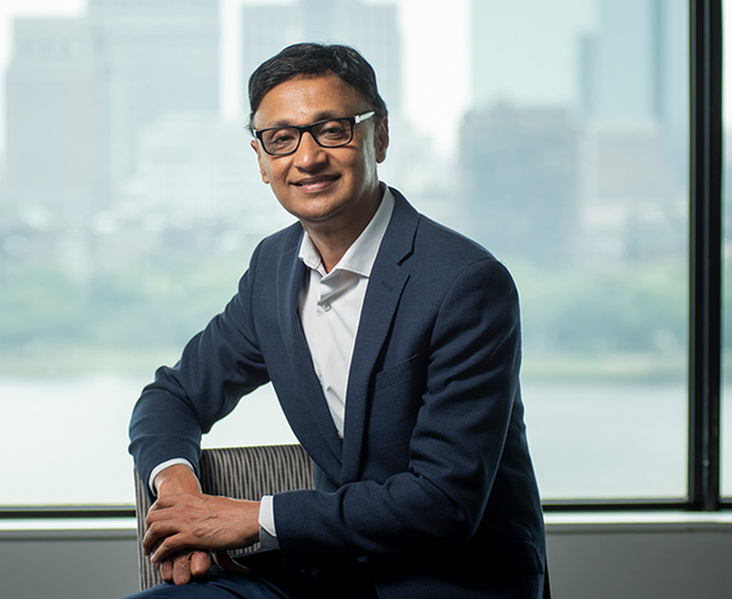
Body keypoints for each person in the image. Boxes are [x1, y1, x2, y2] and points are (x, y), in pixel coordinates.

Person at [125, 42, 546, 598]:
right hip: (323, 573)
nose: (307, 157)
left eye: (333, 130)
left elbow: (444, 502)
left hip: (449, 581)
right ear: (260, 158)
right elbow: (172, 395)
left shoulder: (466, 283)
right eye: (281, 138)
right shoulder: (273, 268)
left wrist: (254, 518)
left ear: (381, 136)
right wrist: (181, 494)